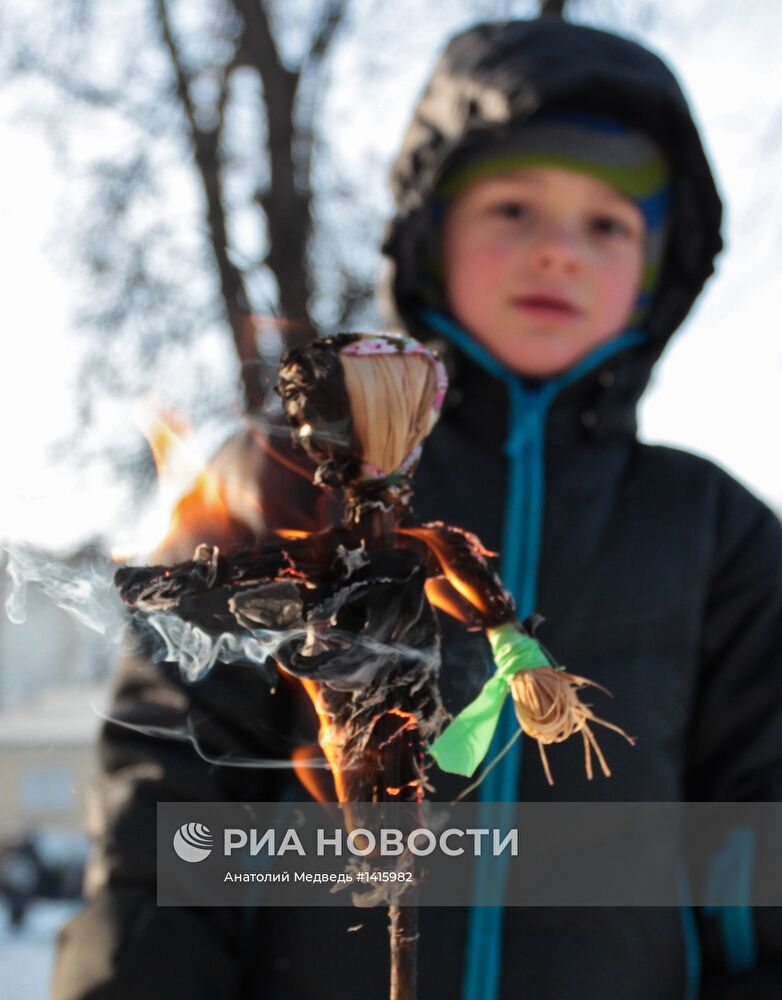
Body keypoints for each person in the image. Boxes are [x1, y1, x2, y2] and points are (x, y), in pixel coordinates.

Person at [52, 16, 782, 1000]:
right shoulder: (286, 484)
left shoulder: (715, 532)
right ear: (429, 235)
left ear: (659, 271)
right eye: (512, 209)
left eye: (605, 225)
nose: (557, 251)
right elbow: (167, 802)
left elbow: (759, 843)